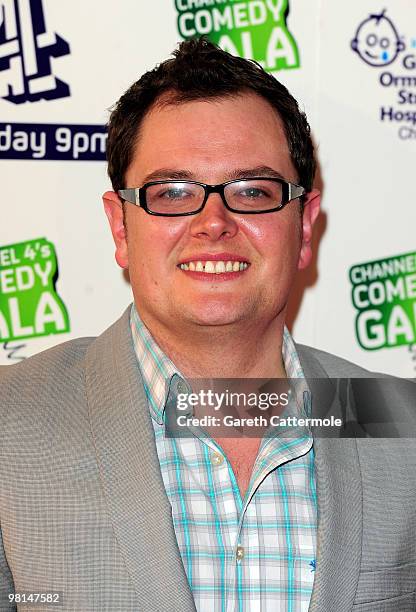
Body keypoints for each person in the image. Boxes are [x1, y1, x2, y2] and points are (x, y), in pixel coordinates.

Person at [1, 38, 415, 612]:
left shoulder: (402, 427)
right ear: (120, 228)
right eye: (172, 193)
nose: (213, 222)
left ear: (303, 227)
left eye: (252, 191)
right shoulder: (8, 423)